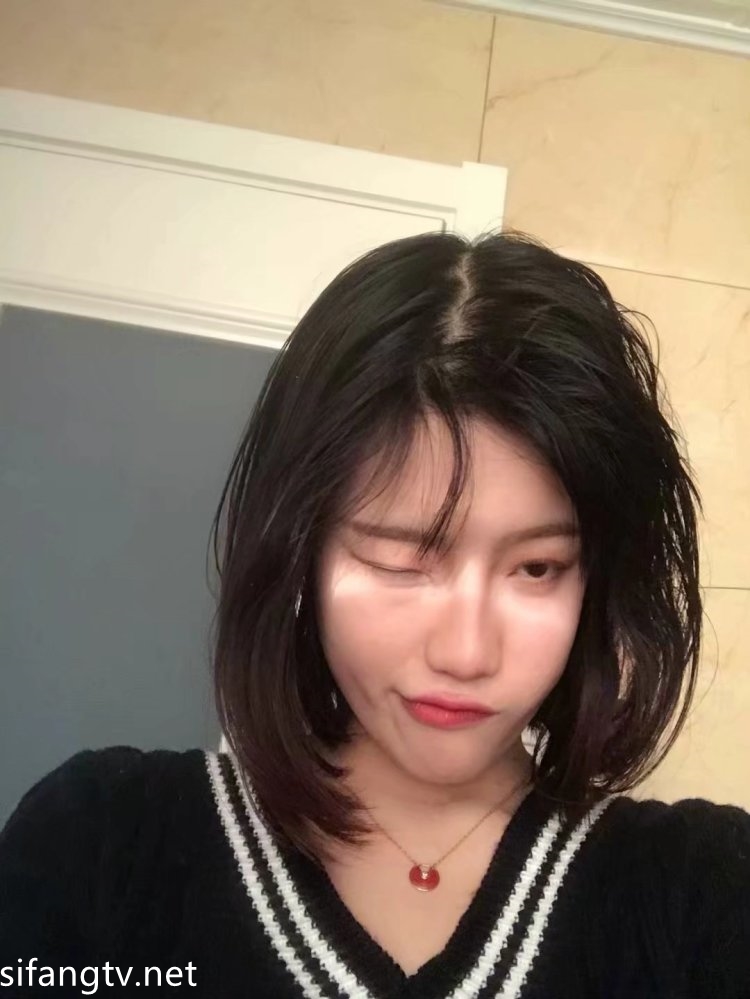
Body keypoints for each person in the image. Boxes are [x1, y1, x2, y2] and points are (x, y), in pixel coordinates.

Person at [0, 229, 748, 999]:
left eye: (537, 568)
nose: (466, 652)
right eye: (400, 556)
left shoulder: (704, 891)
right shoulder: (101, 846)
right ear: (302, 551)